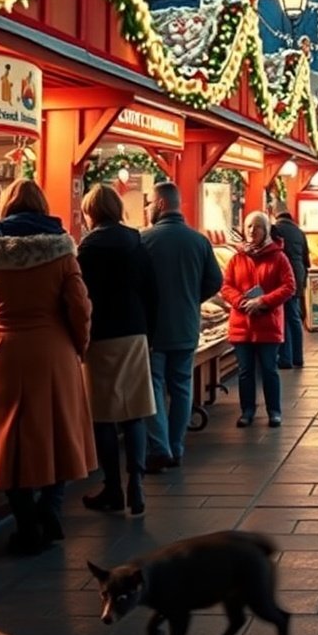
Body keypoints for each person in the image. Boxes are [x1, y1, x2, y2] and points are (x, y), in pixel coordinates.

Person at [0, 180, 95, 555]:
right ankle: (49, 508)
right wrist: (78, 346)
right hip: (53, 350)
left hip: (4, 352)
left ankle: (25, 526)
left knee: (7, 443)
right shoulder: (62, 251)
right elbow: (80, 307)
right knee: (59, 433)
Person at [77, 184, 158, 517]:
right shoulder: (136, 242)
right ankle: (136, 484)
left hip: (100, 334)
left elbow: (80, 296)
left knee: (104, 417)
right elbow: (151, 290)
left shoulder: (87, 249)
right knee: (135, 411)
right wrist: (148, 333)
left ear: (90, 212)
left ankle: (112, 487)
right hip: (134, 331)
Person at [140, 181, 223, 473]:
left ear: (161, 204)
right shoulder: (198, 241)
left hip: (153, 330)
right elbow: (216, 281)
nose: (147, 207)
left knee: (153, 388)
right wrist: (191, 299)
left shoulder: (144, 240)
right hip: (187, 327)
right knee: (182, 387)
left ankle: (159, 447)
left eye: (149, 202)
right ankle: (176, 448)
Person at [221, 211, 296, 428]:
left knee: (269, 369)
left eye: (257, 227)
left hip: (268, 323)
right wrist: (242, 302)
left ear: (266, 230)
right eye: (248, 227)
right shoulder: (236, 258)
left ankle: (274, 410)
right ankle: (247, 410)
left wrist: (263, 301)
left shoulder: (279, 257)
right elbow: (226, 286)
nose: (252, 231)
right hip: (242, 324)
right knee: (245, 372)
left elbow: (289, 286)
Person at [271, 209, 308, 369]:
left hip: (282, 275)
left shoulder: (275, 229)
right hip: (298, 273)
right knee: (294, 317)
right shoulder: (299, 232)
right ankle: (298, 356)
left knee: (283, 317)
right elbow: (306, 257)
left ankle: (285, 357)